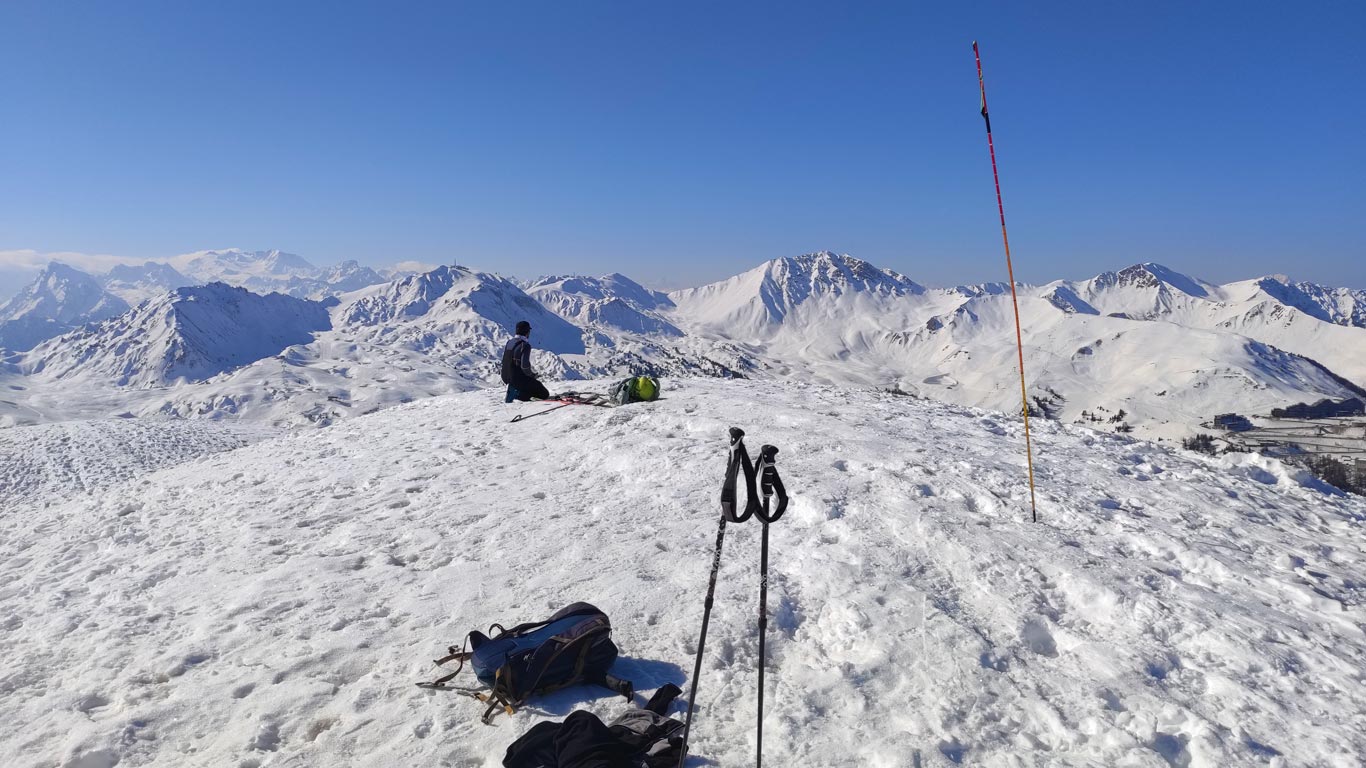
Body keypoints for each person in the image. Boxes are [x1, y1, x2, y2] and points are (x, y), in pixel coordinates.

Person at [501, 320, 550, 401]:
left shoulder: (509, 342)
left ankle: (516, 390)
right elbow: (525, 366)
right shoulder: (525, 345)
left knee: (527, 384)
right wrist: (532, 375)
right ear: (527, 332)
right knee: (544, 393)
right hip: (516, 378)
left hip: (505, 377)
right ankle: (518, 395)